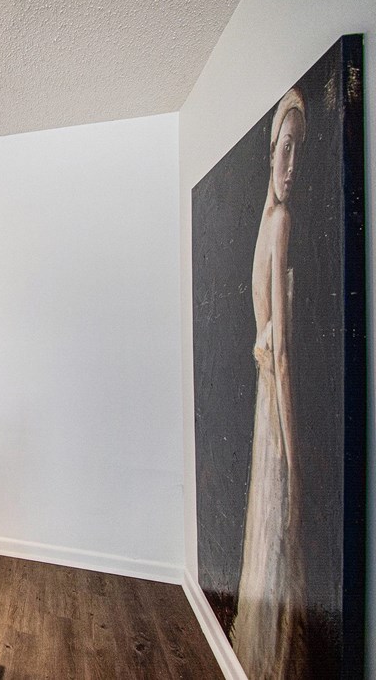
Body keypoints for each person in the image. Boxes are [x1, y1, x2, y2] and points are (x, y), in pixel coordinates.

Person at [230, 87, 308, 678]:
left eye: (297, 153)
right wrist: (296, 457)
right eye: (284, 149)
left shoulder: (263, 226)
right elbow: (280, 358)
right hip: (273, 406)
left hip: (261, 404)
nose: (289, 166)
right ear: (269, 153)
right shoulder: (279, 222)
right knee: (279, 519)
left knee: (265, 532)